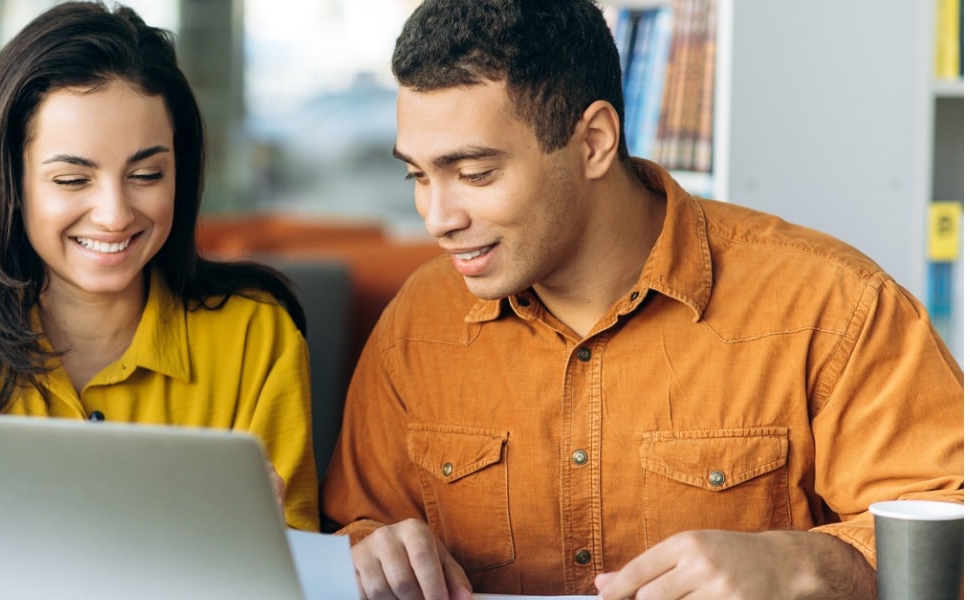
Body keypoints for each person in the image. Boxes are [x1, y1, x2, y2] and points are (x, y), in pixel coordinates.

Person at [319, 0, 965, 598]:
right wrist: (367, 551)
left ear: (594, 141)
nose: (436, 216)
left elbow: (952, 528)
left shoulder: (833, 306)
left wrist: (801, 565)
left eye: (475, 174)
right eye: (417, 175)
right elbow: (352, 527)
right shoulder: (417, 326)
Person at [0, 0, 318, 580]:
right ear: (12, 180)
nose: (114, 215)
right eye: (72, 179)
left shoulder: (254, 333)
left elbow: (298, 570)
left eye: (146, 175)